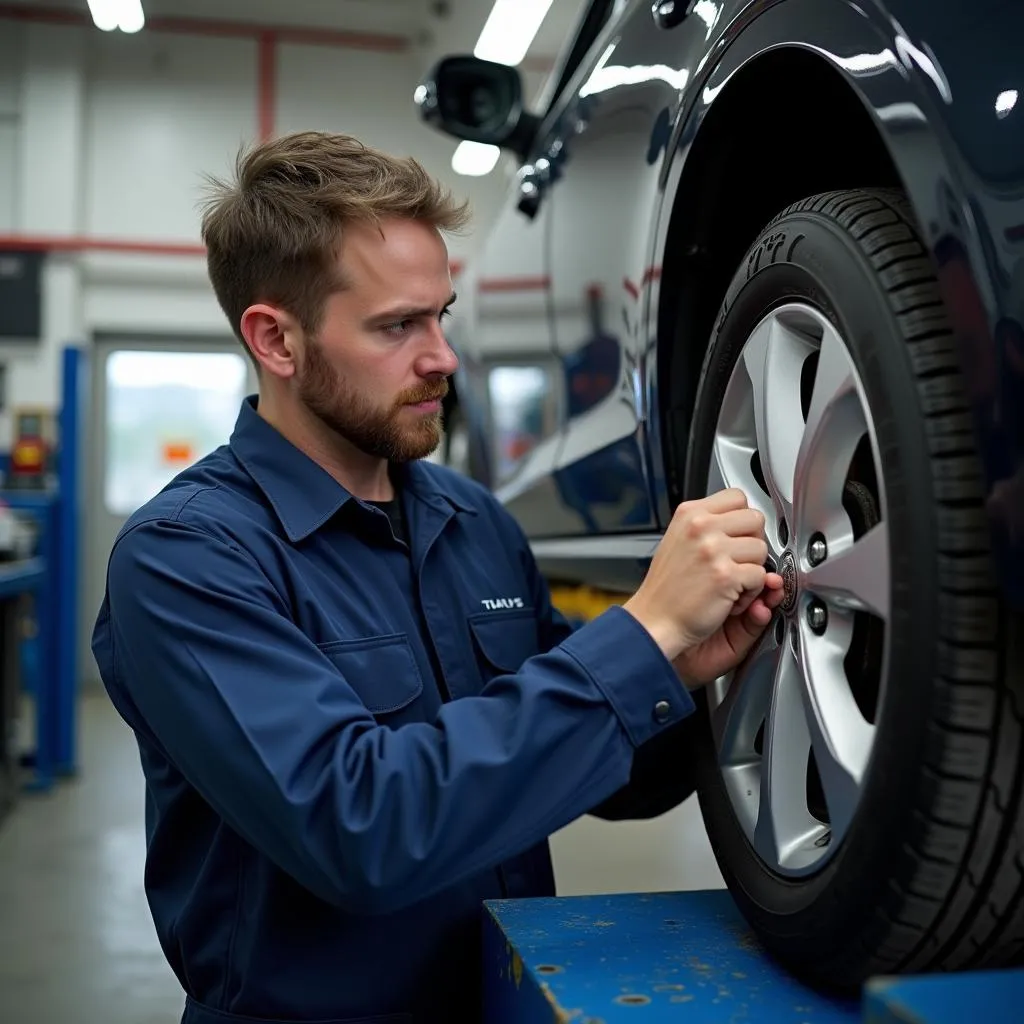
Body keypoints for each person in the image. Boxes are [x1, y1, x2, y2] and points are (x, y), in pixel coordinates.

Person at [92, 131, 784, 1024]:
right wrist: (644, 632)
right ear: (276, 340)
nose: (443, 359)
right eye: (396, 327)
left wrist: (691, 671)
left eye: (441, 316)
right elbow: (362, 830)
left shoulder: (470, 521)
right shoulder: (187, 560)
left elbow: (598, 774)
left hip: (509, 1002)